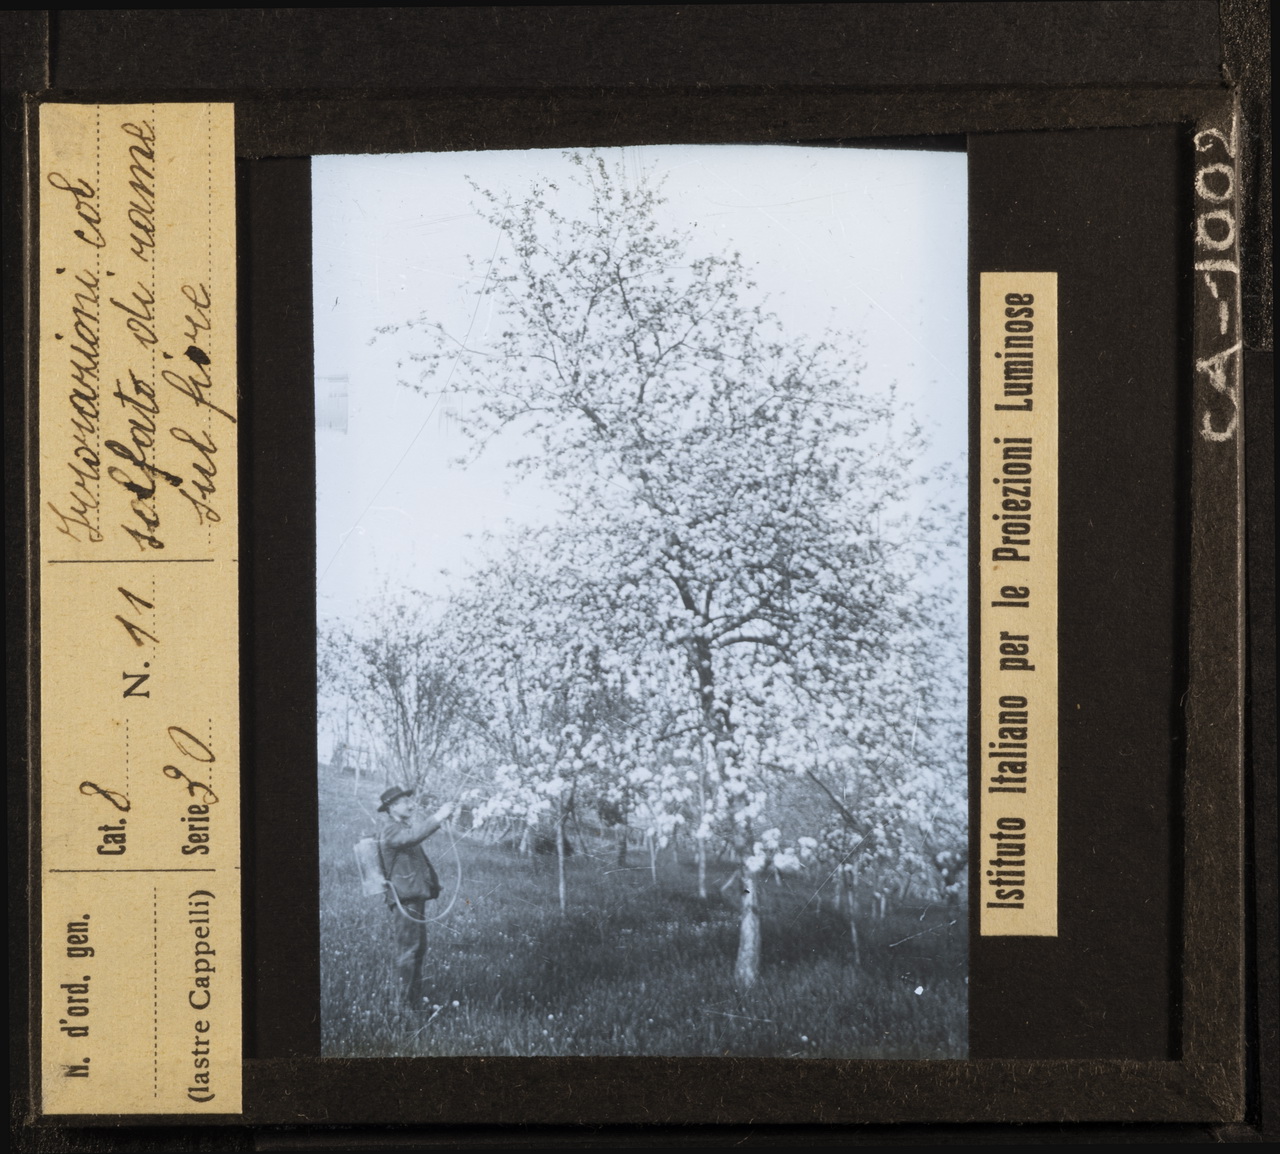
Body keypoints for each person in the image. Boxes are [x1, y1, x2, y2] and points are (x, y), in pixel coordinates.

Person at [376, 786, 454, 1007]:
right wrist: (438, 816)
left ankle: (413, 1002)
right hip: (404, 899)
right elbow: (412, 837)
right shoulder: (391, 829)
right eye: (404, 802)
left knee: (417, 949)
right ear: (392, 807)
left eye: (410, 801)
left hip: (411, 897)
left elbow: (413, 838)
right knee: (408, 951)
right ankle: (402, 1007)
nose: (411, 805)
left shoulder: (400, 827)